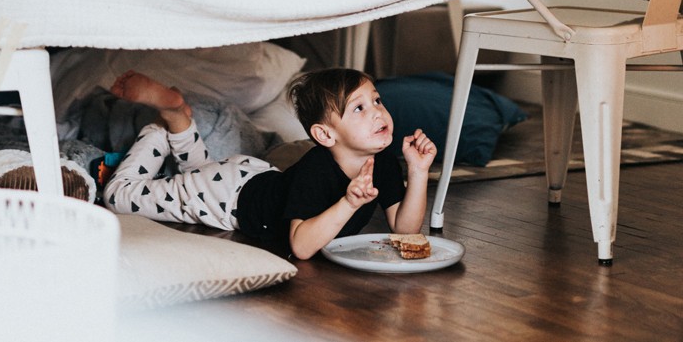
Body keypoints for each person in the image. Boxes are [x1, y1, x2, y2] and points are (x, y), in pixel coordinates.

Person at [102, 68, 436, 260]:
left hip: (253, 176)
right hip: (229, 197)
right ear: (325, 134)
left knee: (194, 175)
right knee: (117, 196)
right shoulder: (316, 169)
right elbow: (302, 247)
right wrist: (349, 203)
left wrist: (418, 172)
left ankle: (178, 118)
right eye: (359, 108)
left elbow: (405, 232)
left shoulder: (385, 162)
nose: (378, 111)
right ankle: (160, 130)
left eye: (377, 100)